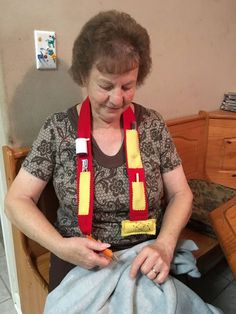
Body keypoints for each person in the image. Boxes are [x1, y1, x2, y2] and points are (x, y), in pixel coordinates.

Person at [5, 9, 196, 308]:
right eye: (106, 86)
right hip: (79, 257)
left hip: (147, 252)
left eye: (128, 86)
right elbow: (16, 201)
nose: (117, 99)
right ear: (83, 75)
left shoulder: (152, 125)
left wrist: (165, 243)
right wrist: (61, 247)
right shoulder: (57, 129)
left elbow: (182, 193)